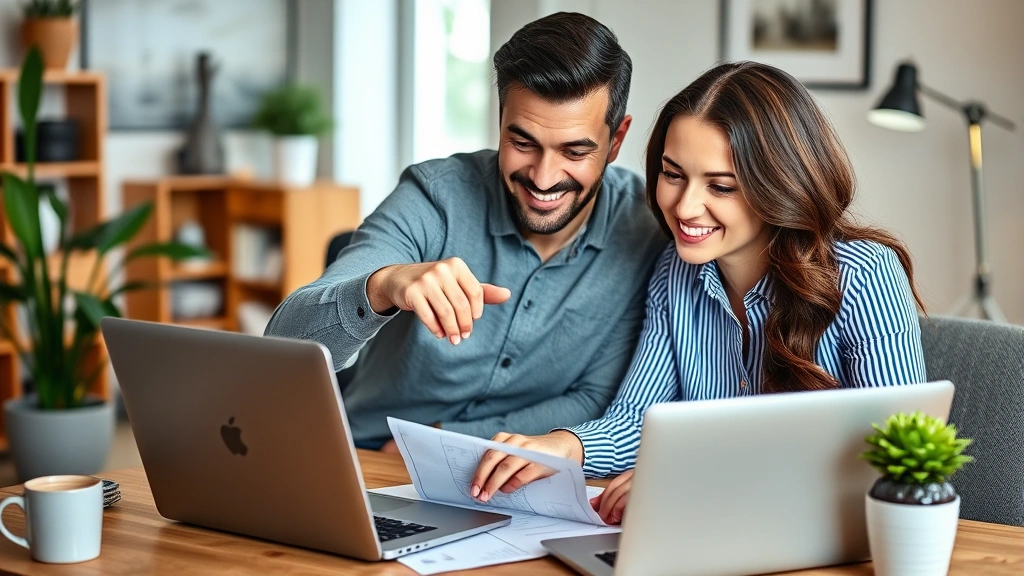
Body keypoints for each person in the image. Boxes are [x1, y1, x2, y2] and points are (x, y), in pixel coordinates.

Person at [471, 61, 928, 524]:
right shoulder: (676, 271)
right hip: (709, 533)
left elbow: (901, 454)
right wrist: (565, 446)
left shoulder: (864, 274)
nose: (685, 207)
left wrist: (699, 476)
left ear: (779, 185)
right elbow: (638, 418)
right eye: (673, 175)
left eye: (721, 186)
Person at [265, 12, 665, 450]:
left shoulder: (645, 230)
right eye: (523, 142)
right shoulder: (435, 197)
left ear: (617, 140)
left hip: (507, 468)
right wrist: (383, 286)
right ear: (500, 120)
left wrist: (445, 441)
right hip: (367, 460)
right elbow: (284, 349)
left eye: (575, 151)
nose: (545, 177)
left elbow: (598, 397)